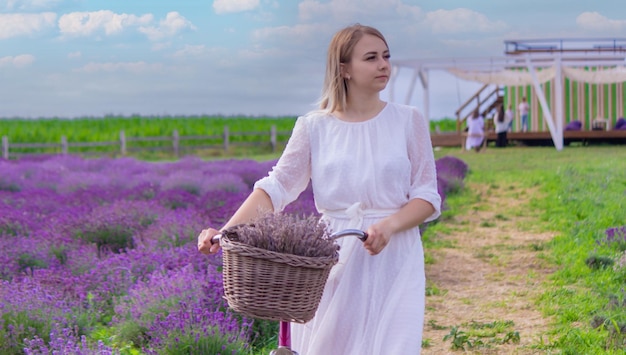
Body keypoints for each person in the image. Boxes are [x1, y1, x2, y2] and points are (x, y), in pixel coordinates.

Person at [197, 23, 441, 355]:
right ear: (344, 69)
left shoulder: (408, 120)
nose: (383, 65)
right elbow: (276, 188)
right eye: (370, 58)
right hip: (332, 256)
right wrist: (226, 232)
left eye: (386, 56)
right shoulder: (315, 126)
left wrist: (389, 225)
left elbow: (427, 196)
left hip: (394, 254)